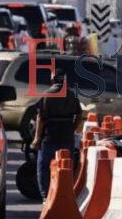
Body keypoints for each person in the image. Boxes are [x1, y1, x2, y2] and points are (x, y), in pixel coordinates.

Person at [31, 70, 84, 199]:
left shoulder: (47, 95)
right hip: (67, 137)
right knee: (66, 166)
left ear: (53, 80)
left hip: (49, 137)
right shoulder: (72, 95)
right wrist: (71, 128)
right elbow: (79, 115)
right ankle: (64, 193)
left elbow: (41, 118)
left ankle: (45, 196)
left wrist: (36, 139)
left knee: (43, 167)